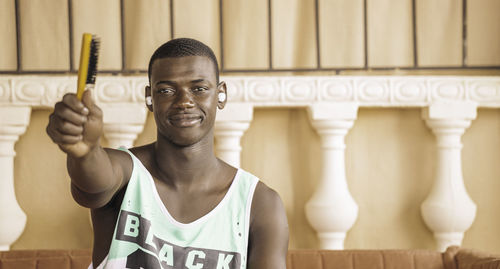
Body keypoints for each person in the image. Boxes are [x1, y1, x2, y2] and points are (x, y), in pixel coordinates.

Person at [46, 38, 289, 269]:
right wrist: (85, 152)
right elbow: (93, 182)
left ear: (220, 94)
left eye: (199, 88)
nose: (184, 101)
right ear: (149, 98)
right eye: (166, 91)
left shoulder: (259, 204)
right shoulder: (127, 174)